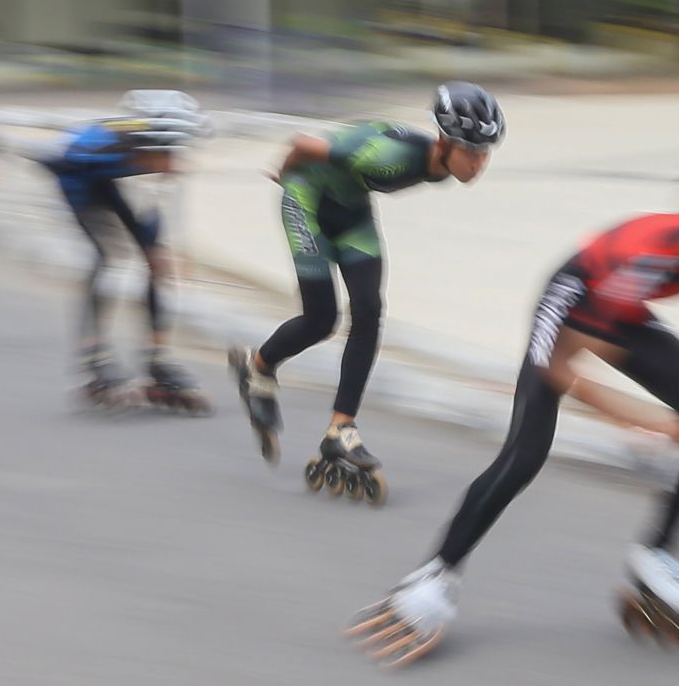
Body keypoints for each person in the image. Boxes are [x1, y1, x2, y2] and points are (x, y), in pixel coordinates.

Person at [347, 162, 679, 666]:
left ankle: (658, 561)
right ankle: (434, 578)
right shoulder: (649, 259)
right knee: (525, 455)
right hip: (567, 307)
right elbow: (563, 369)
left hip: (618, 310)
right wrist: (653, 425)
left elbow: (621, 316)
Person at [229, 82, 505, 488]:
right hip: (307, 200)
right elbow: (304, 144)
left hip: (351, 211)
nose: (478, 163)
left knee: (370, 312)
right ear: (445, 141)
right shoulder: (391, 158)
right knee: (322, 319)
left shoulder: (442, 169)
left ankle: (341, 428)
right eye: (471, 151)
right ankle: (258, 368)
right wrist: (284, 176)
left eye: (485, 153)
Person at [35, 90, 211, 411]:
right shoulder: (90, 146)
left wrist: (157, 250)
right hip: (81, 184)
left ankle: (156, 358)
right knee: (107, 258)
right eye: (167, 151)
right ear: (143, 143)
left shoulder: (147, 155)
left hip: (123, 182)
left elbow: (151, 211)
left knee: (157, 263)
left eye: (175, 151)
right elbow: (47, 155)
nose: (172, 161)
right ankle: (95, 354)